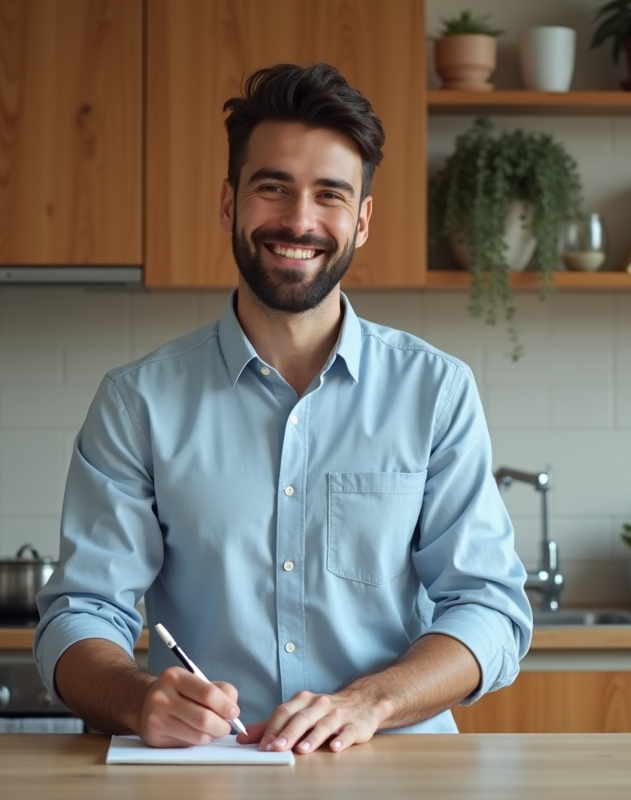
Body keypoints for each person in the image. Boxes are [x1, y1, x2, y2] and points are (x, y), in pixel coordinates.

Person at [34, 62, 532, 755]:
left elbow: (489, 608)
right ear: (229, 203)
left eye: (329, 196)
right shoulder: (137, 402)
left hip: (398, 769)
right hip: (209, 773)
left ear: (361, 222)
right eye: (273, 188)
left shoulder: (436, 392)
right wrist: (139, 696)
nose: (299, 220)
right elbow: (81, 614)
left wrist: (370, 702)